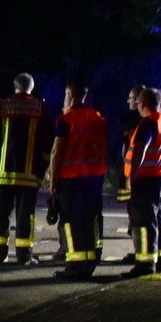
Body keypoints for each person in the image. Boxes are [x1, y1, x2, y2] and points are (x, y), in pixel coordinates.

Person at [0, 73, 50, 265]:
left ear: (15, 86)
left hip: (3, 173)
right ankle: (24, 256)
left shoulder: (2, 106)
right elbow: (48, 142)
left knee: (1, 214)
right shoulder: (40, 109)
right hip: (29, 175)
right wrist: (44, 167)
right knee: (25, 216)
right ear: (31, 88)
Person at [47, 81, 107, 281]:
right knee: (90, 220)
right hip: (94, 177)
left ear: (71, 96)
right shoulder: (98, 118)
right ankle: (90, 261)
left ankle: (75, 266)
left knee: (71, 223)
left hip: (71, 178)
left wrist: (53, 179)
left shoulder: (66, 119)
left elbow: (57, 151)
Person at [121, 87, 161, 278]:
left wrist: (132, 177)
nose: (136, 105)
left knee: (144, 223)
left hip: (146, 179)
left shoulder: (148, 123)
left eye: (138, 102)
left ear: (143, 104)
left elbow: (140, 151)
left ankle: (145, 265)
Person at [116, 85, 146, 263]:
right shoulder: (135, 120)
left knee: (137, 213)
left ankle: (140, 253)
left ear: (138, 100)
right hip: (132, 171)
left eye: (131, 98)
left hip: (135, 174)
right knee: (134, 211)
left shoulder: (140, 122)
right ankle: (141, 249)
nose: (128, 101)